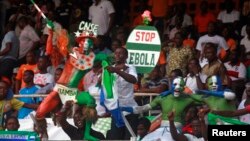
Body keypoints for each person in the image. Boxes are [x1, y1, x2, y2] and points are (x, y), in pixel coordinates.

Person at [34, 21, 107, 141]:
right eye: (84, 40)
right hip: (60, 90)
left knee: (90, 100)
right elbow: (48, 51)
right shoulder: (72, 52)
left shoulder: (94, 58)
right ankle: (42, 133)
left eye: (89, 41)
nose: (87, 43)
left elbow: (108, 60)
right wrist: (51, 33)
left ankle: (87, 134)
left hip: (72, 92)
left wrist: (106, 62)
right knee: (39, 113)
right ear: (79, 42)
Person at [104, 47, 139, 140]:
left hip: (130, 110)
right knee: (115, 138)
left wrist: (117, 71)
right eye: (116, 53)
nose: (118, 55)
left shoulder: (130, 67)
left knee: (129, 138)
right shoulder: (110, 68)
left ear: (126, 56)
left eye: (121, 53)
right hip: (116, 111)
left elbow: (133, 80)